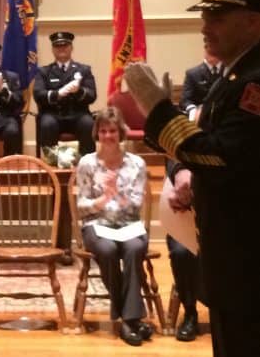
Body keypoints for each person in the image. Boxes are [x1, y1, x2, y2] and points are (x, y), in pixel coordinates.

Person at [125, 0, 260, 357]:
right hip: (231, 250)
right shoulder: (233, 74)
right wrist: (187, 170)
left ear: (253, 20)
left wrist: (157, 109)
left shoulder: (256, 81)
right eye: (205, 17)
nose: (205, 27)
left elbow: (220, 154)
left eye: (217, 18)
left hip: (249, 255)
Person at [75, 106, 153, 347]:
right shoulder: (87, 163)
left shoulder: (136, 163)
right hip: (97, 226)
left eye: (113, 131)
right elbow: (81, 205)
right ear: (97, 133)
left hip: (129, 224)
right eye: (103, 131)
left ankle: (127, 320)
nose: (108, 136)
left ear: (121, 133)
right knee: (107, 250)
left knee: (133, 249)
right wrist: (102, 200)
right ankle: (132, 320)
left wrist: (116, 193)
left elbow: (137, 205)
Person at [33, 31, 97, 154]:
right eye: (57, 46)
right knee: (47, 124)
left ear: (71, 47)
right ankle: (50, 165)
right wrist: (57, 94)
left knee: (88, 123)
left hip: (77, 113)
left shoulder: (84, 70)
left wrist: (79, 91)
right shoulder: (44, 72)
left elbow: (92, 95)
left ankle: (87, 164)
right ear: (52, 49)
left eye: (65, 45)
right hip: (53, 114)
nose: (61, 48)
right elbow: (38, 95)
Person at [164, 160, 202, 342]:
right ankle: (190, 313)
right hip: (187, 215)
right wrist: (180, 171)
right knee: (181, 252)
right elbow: (171, 155)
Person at [180, 48, 222, 121]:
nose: (211, 50)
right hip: (200, 117)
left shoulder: (228, 71)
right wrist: (193, 110)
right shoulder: (193, 73)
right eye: (207, 47)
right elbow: (186, 100)